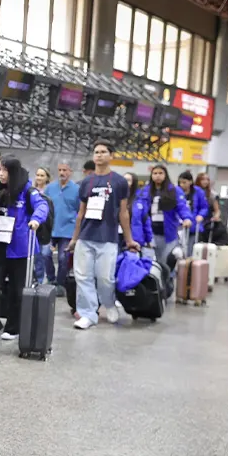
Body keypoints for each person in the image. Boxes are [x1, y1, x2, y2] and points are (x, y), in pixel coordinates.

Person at [0, 155, 47, 344]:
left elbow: (42, 205)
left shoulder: (27, 190)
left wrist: (36, 219)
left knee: (18, 290)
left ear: (13, 171)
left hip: (20, 249)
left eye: (5, 170)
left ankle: (13, 327)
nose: (1, 174)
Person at [67, 141, 138, 330]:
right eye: (96, 152)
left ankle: (109, 303)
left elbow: (123, 212)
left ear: (111, 155)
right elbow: (80, 213)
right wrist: (75, 238)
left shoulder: (119, 182)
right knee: (83, 277)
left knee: (105, 278)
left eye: (103, 152)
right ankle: (89, 313)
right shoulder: (86, 183)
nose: (99, 155)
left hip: (108, 237)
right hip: (85, 236)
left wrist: (129, 239)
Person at [134, 164, 193, 268]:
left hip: (168, 233)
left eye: (160, 173)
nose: (157, 176)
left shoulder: (174, 190)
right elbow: (139, 210)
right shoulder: (144, 191)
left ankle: (167, 283)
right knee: (150, 262)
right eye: (155, 173)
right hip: (149, 233)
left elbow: (182, 206)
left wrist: (187, 218)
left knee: (165, 263)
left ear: (165, 175)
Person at [45, 161, 80, 297]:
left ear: (70, 172)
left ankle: (60, 284)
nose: (62, 173)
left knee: (62, 258)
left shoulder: (76, 190)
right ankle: (51, 279)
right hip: (51, 230)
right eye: (60, 170)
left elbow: (80, 210)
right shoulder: (50, 188)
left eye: (65, 170)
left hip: (67, 230)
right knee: (45, 254)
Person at [32, 167, 55, 285]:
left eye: (42, 175)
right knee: (36, 257)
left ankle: (46, 279)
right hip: (34, 229)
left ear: (47, 177)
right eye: (38, 175)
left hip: (46, 229)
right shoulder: (31, 191)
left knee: (45, 256)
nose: (39, 178)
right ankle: (37, 280)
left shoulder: (50, 192)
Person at [178, 170, 209, 253]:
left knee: (190, 249)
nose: (182, 185)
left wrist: (201, 215)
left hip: (194, 225)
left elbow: (204, 207)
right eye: (180, 182)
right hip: (179, 226)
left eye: (184, 182)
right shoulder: (176, 191)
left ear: (190, 182)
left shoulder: (198, 192)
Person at [123, 172, 153, 255]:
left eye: (128, 180)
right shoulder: (116, 198)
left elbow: (145, 220)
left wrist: (149, 239)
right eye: (123, 179)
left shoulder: (140, 200)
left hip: (135, 240)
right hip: (116, 239)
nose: (125, 182)